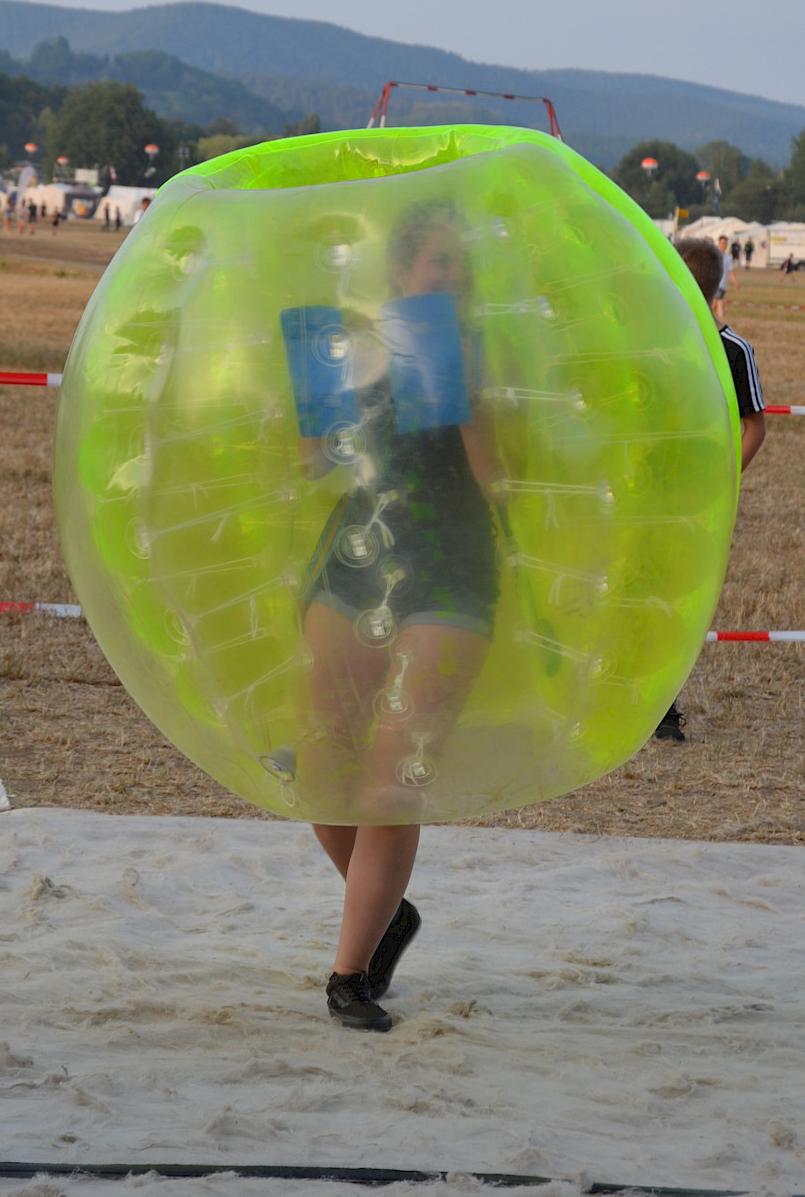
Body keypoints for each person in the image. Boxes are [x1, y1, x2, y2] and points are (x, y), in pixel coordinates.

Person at [295, 201, 506, 1031]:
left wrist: (467, 399)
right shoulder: (339, 345)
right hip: (351, 563)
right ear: (399, 273)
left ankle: (350, 975)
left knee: (393, 774)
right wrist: (316, 407)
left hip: (451, 570)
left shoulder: (483, 354)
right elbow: (314, 466)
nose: (451, 280)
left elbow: (497, 477)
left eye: (461, 268)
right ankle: (384, 911)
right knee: (324, 768)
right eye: (437, 265)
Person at [657, 237, 768, 743]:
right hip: (649, 494)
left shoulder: (734, 351)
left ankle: (664, 708)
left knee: (678, 600)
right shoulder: (657, 343)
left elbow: (754, 428)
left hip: (698, 504)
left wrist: (719, 484)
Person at [712, 233, 738, 324]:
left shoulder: (727, 258)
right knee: (720, 302)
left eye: (725, 243)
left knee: (714, 304)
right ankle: (721, 319)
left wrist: (735, 282)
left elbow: (730, 271)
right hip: (715, 284)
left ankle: (710, 319)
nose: (724, 245)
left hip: (723, 285)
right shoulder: (714, 256)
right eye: (722, 243)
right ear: (719, 243)